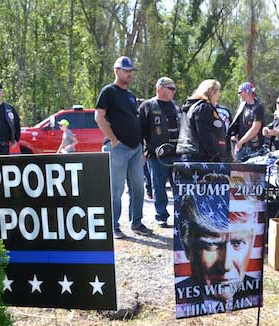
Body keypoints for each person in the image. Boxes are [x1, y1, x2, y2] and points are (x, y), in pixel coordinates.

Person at [175, 173, 262, 317]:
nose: (226, 265)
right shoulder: (184, 299)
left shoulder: (254, 291)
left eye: (238, 243)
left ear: (252, 243)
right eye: (211, 244)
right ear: (186, 246)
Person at [94, 55, 153, 239]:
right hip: (118, 147)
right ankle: (113, 226)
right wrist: (113, 140)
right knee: (116, 189)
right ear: (116, 71)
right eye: (126, 71)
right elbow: (99, 116)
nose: (129, 74)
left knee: (138, 187)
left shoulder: (130, 95)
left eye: (130, 71)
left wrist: (141, 146)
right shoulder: (108, 91)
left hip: (135, 148)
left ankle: (136, 223)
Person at [139, 77, 181, 228]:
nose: (174, 91)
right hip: (156, 155)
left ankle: (182, 215)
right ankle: (161, 216)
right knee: (158, 187)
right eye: (171, 88)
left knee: (179, 186)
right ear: (160, 88)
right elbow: (141, 131)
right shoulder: (148, 106)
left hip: (176, 154)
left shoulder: (175, 106)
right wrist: (142, 153)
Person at [176, 79, 228, 162]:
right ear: (212, 92)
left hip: (186, 154)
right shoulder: (203, 108)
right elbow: (205, 134)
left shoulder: (189, 107)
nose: (219, 95)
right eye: (218, 92)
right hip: (200, 157)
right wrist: (215, 156)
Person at [228, 82, 266, 161]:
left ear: (247, 92)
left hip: (254, 149)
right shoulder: (242, 106)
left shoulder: (258, 107)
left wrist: (241, 142)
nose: (238, 95)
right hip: (242, 148)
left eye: (240, 92)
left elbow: (255, 129)